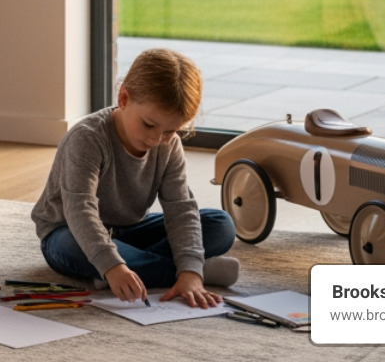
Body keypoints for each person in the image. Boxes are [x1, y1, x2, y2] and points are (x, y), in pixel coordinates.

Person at [31, 48, 238, 306]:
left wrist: (190, 269)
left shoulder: (167, 145)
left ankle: (123, 268)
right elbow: (79, 211)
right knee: (71, 246)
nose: (156, 139)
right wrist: (113, 265)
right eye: (149, 125)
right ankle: (189, 270)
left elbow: (181, 209)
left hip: (128, 230)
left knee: (221, 225)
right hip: (68, 230)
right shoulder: (87, 138)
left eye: (170, 131)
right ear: (124, 98)